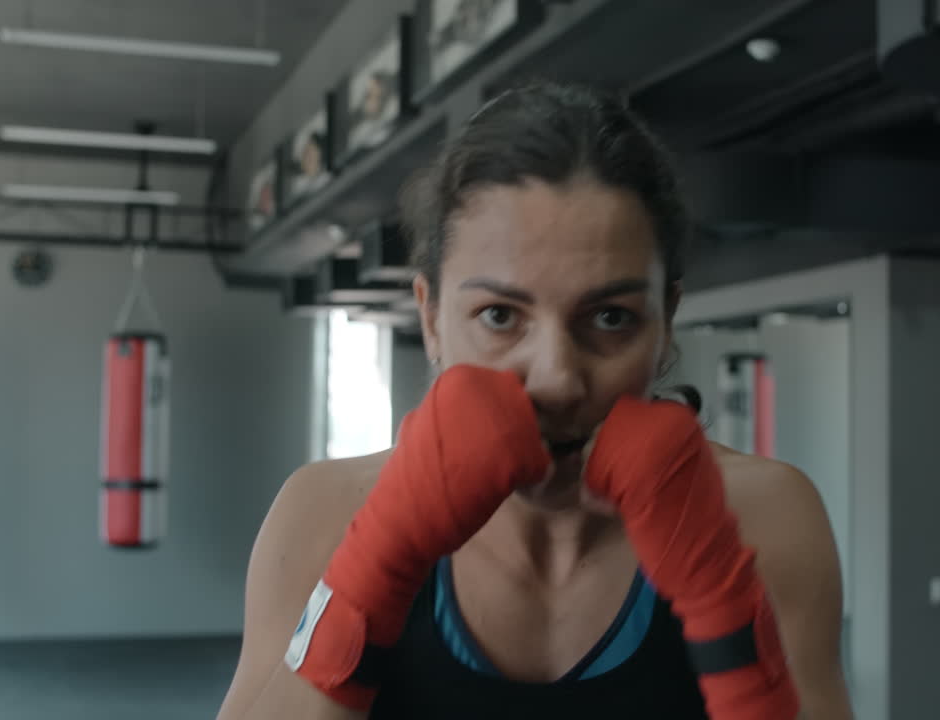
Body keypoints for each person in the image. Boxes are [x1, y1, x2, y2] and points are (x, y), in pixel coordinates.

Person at [216, 81, 853, 720]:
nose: (555, 378)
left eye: (610, 317)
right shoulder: (322, 515)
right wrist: (373, 567)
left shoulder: (766, 518)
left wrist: (724, 609)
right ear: (432, 319)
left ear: (665, 323)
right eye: (500, 315)